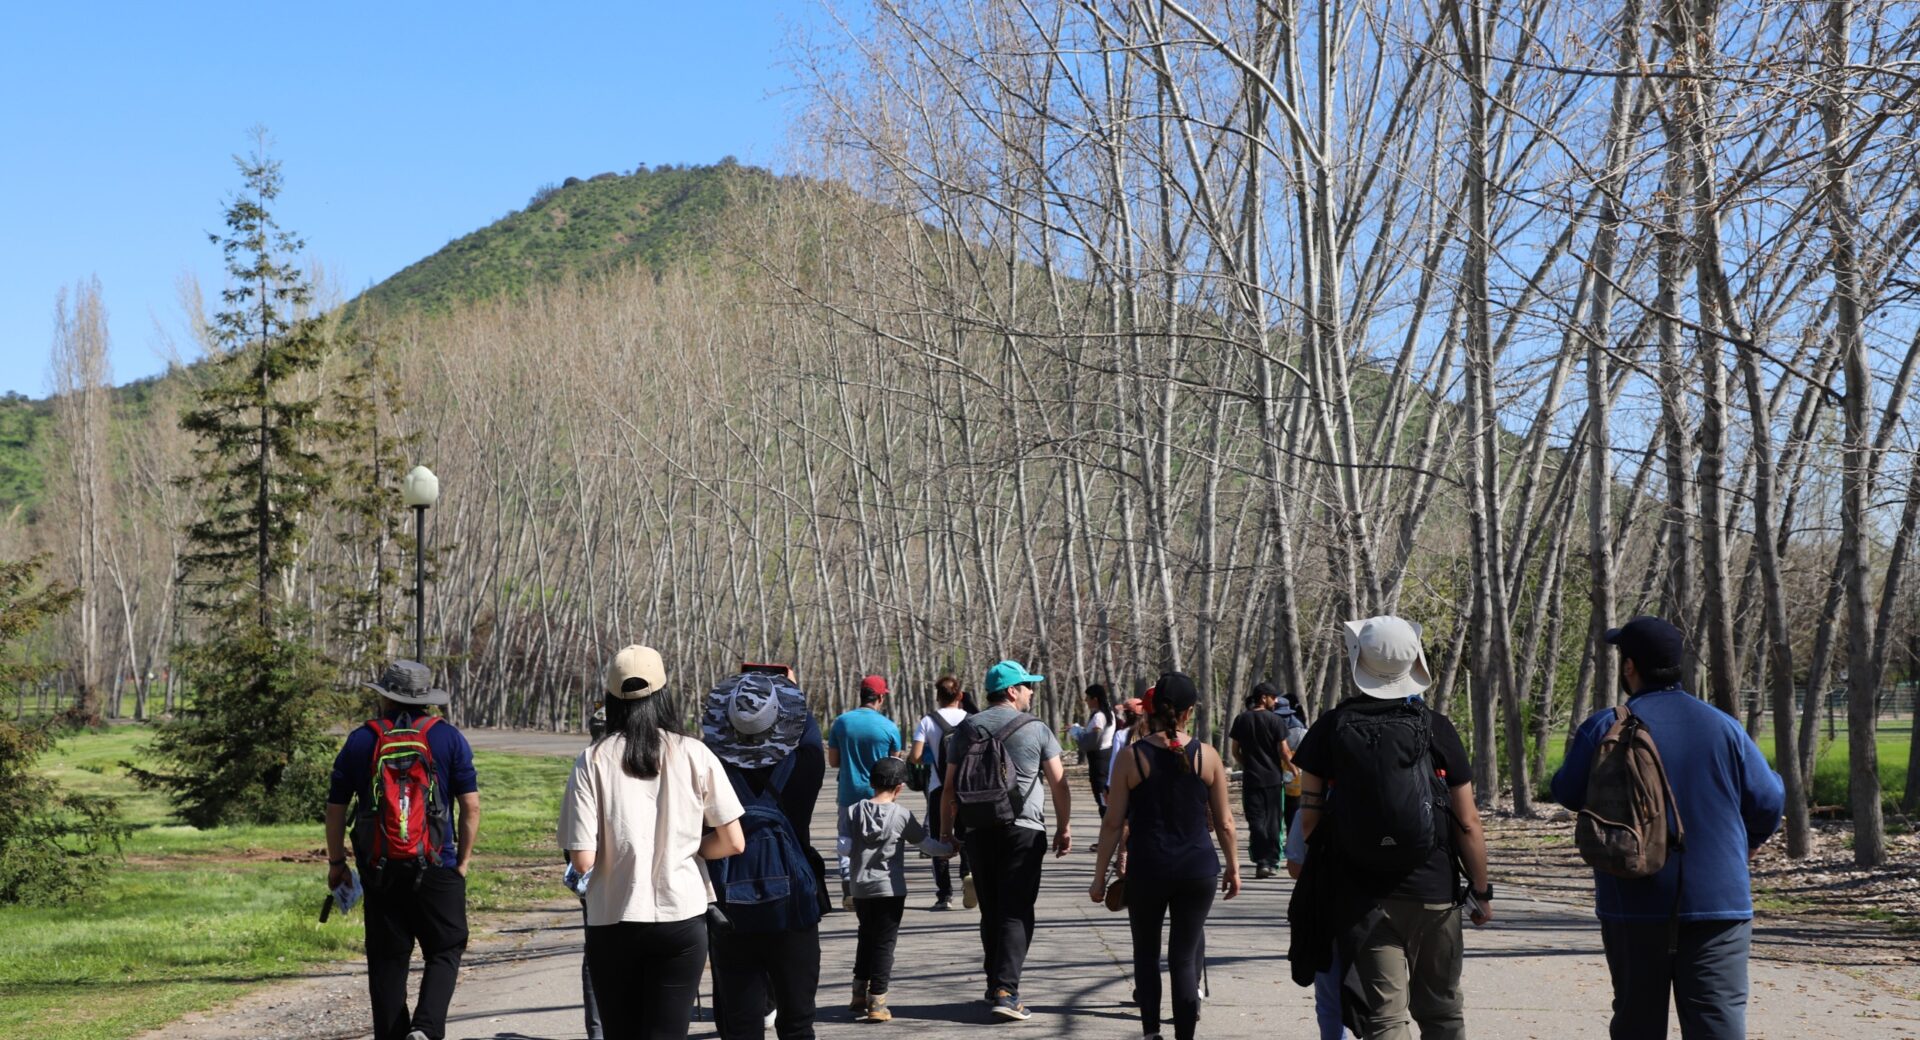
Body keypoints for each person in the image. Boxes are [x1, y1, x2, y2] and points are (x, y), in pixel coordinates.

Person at [1551, 615, 1785, 1040]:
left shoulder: (1606, 725)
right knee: (1718, 1024)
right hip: (1719, 901)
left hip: (1631, 896)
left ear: (1630, 667)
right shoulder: (1724, 727)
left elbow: (1567, 792)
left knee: (1637, 1021)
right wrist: (1744, 848)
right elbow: (1769, 800)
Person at [1293, 616, 1492, 1040]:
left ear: (1357, 661)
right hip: (1435, 892)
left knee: (1384, 1018)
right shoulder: (1436, 727)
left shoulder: (1330, 727)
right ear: (1412, 662)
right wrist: (1481, 888)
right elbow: (1468, 823)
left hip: (1363, 898)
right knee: (1441, 1012)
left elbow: (1308, 819)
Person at [559, 645, 747, 1040]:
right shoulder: (695, 753)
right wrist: (693, 849)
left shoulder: (592, 760)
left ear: (611, 698)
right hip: (682, 916)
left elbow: (581, 859)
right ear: (664, 694)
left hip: (613, 917)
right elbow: (733, 841)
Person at [325, 660, 481, 1040]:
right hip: (437, 864)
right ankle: (426, 1029)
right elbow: (471, 806)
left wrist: (336, 863)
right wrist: (461, 862)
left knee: (387, 962)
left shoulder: (362, 740)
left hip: (380, 868)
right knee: (445, 947)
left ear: (385, 699)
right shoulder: (448, 738)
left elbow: (335, 808)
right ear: (427, 699)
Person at [1089, 673, 1240, 1040]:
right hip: (1197, 869)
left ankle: (1151, 1033)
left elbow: (1112, 824)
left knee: (1146, 954)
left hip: (1148, 867)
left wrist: (1098, 878)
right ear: (1189, 712)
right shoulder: (1208, 755)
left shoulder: (1131, 757)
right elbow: (1225, 822)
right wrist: (1234, 868)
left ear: (1151, 710)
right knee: (1184, 959)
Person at [939, 659, 1073, 1022]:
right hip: (1025, 828)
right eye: (1028, 685)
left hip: (978, 828)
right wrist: (1064, 826)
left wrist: (946, 832)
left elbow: (949, 787)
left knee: (992, 907)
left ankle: (993, 981)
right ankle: (1006, 990)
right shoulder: (1037, 729)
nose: (1031, 691)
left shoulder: (965, 730)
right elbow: (1059, 783)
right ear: (1012, 691)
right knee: (1016, 910)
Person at [702, 667, 828, 1040]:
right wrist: (784, 688)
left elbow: (709, 742)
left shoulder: (712, 767)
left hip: (730, 908)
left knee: (740, 1027)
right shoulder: (806, 763)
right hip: (794, 909)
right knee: (798, 1023)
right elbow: (807, 725)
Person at [845, 756, 955, 1022]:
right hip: (889, 890)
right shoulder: (901, 815)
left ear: (871, 783)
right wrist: (949, 850)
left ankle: (858, 993)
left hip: (860, 888)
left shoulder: (852, 811)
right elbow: (925, 845)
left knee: (866, 936)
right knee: (884, 943)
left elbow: (843, 848)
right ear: (900, 788)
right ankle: (877, 1001)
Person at [829, 675, 904, 903]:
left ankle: (847, 881)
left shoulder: (841, 723)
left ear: (861, 695)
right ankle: (874, 882)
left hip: (849, 790)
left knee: (846, 837)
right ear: (880, 697)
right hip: (880, 794)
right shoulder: (889, 727)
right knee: (879, 840)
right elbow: (895, 765)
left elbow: (833, 761)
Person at [1287, 799, 1357, 1040]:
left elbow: (1295, 866)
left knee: (1329, 1000)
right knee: (1380, 994)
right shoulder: (1381, 802)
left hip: (1324, 912)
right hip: (1373, 912)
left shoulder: (1311, 809)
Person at [909, 675, 972, 910]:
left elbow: (915, 757)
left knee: (939, 838)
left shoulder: (928, 721)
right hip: (966, 789)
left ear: (938, 696)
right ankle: (968, 874)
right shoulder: (970, 719)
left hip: (938, 787)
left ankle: (944, 894)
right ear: (960, 696)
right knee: (965, 835)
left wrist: (929, 756)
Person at [1229, 682, 1294, 879]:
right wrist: (1294, 769)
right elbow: (1284, 751)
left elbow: (1234, 751)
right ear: (1264, 697)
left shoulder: (1241, 719)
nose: (1275, 702)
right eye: (1273, 698)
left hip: (1251, 779)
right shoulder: (1275, 721)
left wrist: (1247, 763)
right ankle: (1272, 862)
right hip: (1273, 779)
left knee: (1256, 821)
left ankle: (1261, 862)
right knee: (1273, 822)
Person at [1073, 684, 1118, 816]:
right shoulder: (1108, 713)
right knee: (1106, 796)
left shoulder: (1099, 716)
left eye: (1088, 697)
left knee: (1102, 798)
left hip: (1099, 761)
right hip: (1106, 758)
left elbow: (1092, 742)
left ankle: (1108, 828)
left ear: (1095, 699)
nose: (1086, 701)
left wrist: (1076, 734)